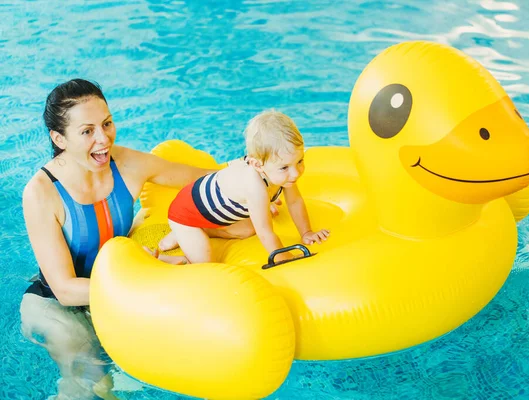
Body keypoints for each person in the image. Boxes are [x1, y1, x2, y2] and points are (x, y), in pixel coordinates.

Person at [19, 79, 246, 400]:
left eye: (107, 123)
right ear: (60, 138)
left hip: (119, 291)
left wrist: (252, 183)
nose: (103, 138)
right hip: (57, 306)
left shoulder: (126, 164)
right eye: (87, 131)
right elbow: (65, 289)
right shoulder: (41, 192)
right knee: (90, 386)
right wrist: (145, 282)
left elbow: (201, 180)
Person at [156, 110, 330, 265]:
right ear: (257, 164)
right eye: (285, 167)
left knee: (248, 230)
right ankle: (171, 247)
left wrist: (306, 233)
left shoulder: (281, 172)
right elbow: (265, 232)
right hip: (185, 213)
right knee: (206, 265)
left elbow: (294, 202)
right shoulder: (254, 186)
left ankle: (197, 231)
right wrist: (284, 258)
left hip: (210, 213)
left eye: (300, 161)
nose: (295, 173)